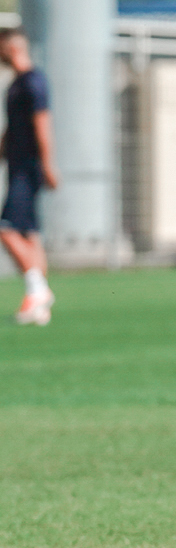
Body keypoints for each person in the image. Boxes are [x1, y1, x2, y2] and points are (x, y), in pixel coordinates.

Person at [0, 27, 58, 326]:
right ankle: (39, 306)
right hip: (17, 165)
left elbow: (42, 124)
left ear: (10, 47)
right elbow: (14, 127)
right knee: (29, 233)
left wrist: (48, 164)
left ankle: (38, 290)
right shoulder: (16, 84)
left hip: (29, 166)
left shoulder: (33, 82)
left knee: (6, 228)